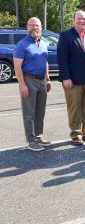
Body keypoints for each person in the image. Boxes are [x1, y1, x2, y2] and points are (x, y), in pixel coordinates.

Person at [57, 10, 85, 146]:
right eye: (79, 19)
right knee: (74, 107)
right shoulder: (66, 36)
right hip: (73, 80)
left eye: (84, 19)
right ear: (73, 21)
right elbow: (62, 58)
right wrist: (66, 77)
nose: (82, 21)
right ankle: (76, 134)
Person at [13, 17, 51, 151]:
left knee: (40, 111)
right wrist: (22, 84)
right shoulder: (22, 44)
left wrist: (47, 79)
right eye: (32, 25)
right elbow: (17, 66)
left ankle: (38, 136)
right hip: (28, 80)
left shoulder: (44, 43)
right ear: (27, 27)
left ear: (41, 27)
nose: (35, 28)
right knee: (29, 113)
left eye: (38, 25)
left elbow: (45, 62)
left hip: (42, 80)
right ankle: (31, 141)